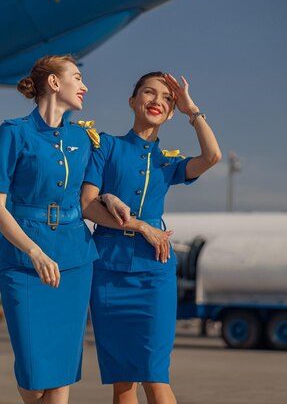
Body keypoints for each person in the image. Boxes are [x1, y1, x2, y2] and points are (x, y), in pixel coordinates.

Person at [0, 55, 123, 404]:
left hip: (75, 258)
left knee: (61, 376)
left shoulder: (85, 138)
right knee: (32, 378)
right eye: (77, 77)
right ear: (54, 83)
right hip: (24, 261)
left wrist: (109, 195)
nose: (85, 86)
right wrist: (34, 251)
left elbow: (90, 194)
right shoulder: (14, 132)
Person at [80, 72, 222, 404]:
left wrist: (192, 110)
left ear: (172, 111)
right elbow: (88, 206)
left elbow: (212, 156)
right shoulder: (106, 146)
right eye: (149, 92)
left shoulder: (168, 162)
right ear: (133, 101)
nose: (157, 101)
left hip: (154, 272)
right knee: (123, 381)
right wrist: (140, 226)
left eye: (166, 98)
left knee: (155, 375)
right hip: (108, 273)